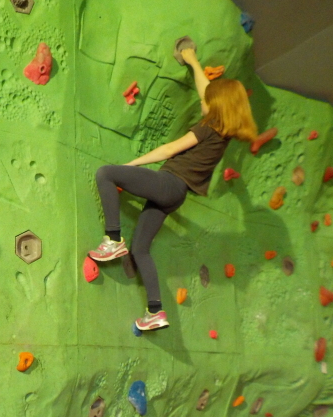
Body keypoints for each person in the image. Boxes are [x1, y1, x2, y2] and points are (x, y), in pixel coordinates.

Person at [89, 45, 257, 331]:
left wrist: (133, 165)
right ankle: (155, 312)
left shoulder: (208, 127)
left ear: (217, 106)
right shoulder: (224, 132)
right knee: (141, 249)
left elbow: (169, 149)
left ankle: (113, 239)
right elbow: (208, 94)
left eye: (210, 100)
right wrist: (192, 60)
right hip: (176, 197)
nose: (204, 100)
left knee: (105, 173)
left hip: (169, 184)